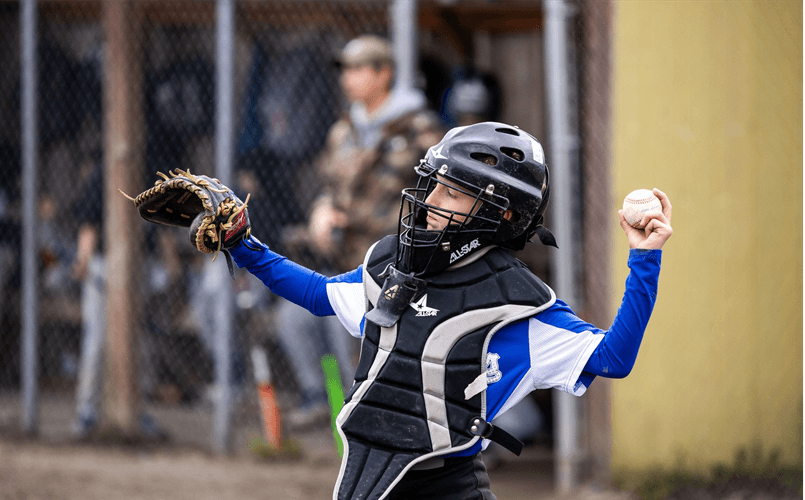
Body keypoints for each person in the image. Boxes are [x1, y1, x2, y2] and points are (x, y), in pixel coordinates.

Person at [221, 121, 672, 499]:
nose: (432, 201)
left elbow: (614, 358)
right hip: (370, 478)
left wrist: (645, 258)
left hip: (450, 488)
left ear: (504, 214)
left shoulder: (519, 304)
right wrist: (243, 244)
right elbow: (320, 294)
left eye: (452, 193)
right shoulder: (395, 264)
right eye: (435, 183)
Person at [275, 34, 444, 427]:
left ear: (383, 74)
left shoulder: (422, 130)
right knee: (294, 320)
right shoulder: (344, 130)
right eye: (345, 70)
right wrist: (322, 212)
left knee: (366, 353)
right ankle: (323, 402)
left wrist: (358, 221)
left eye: (357, 69)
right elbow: (327, 188)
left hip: (396, 266)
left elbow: (438, 204)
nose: (347, 78)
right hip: (341, 260)